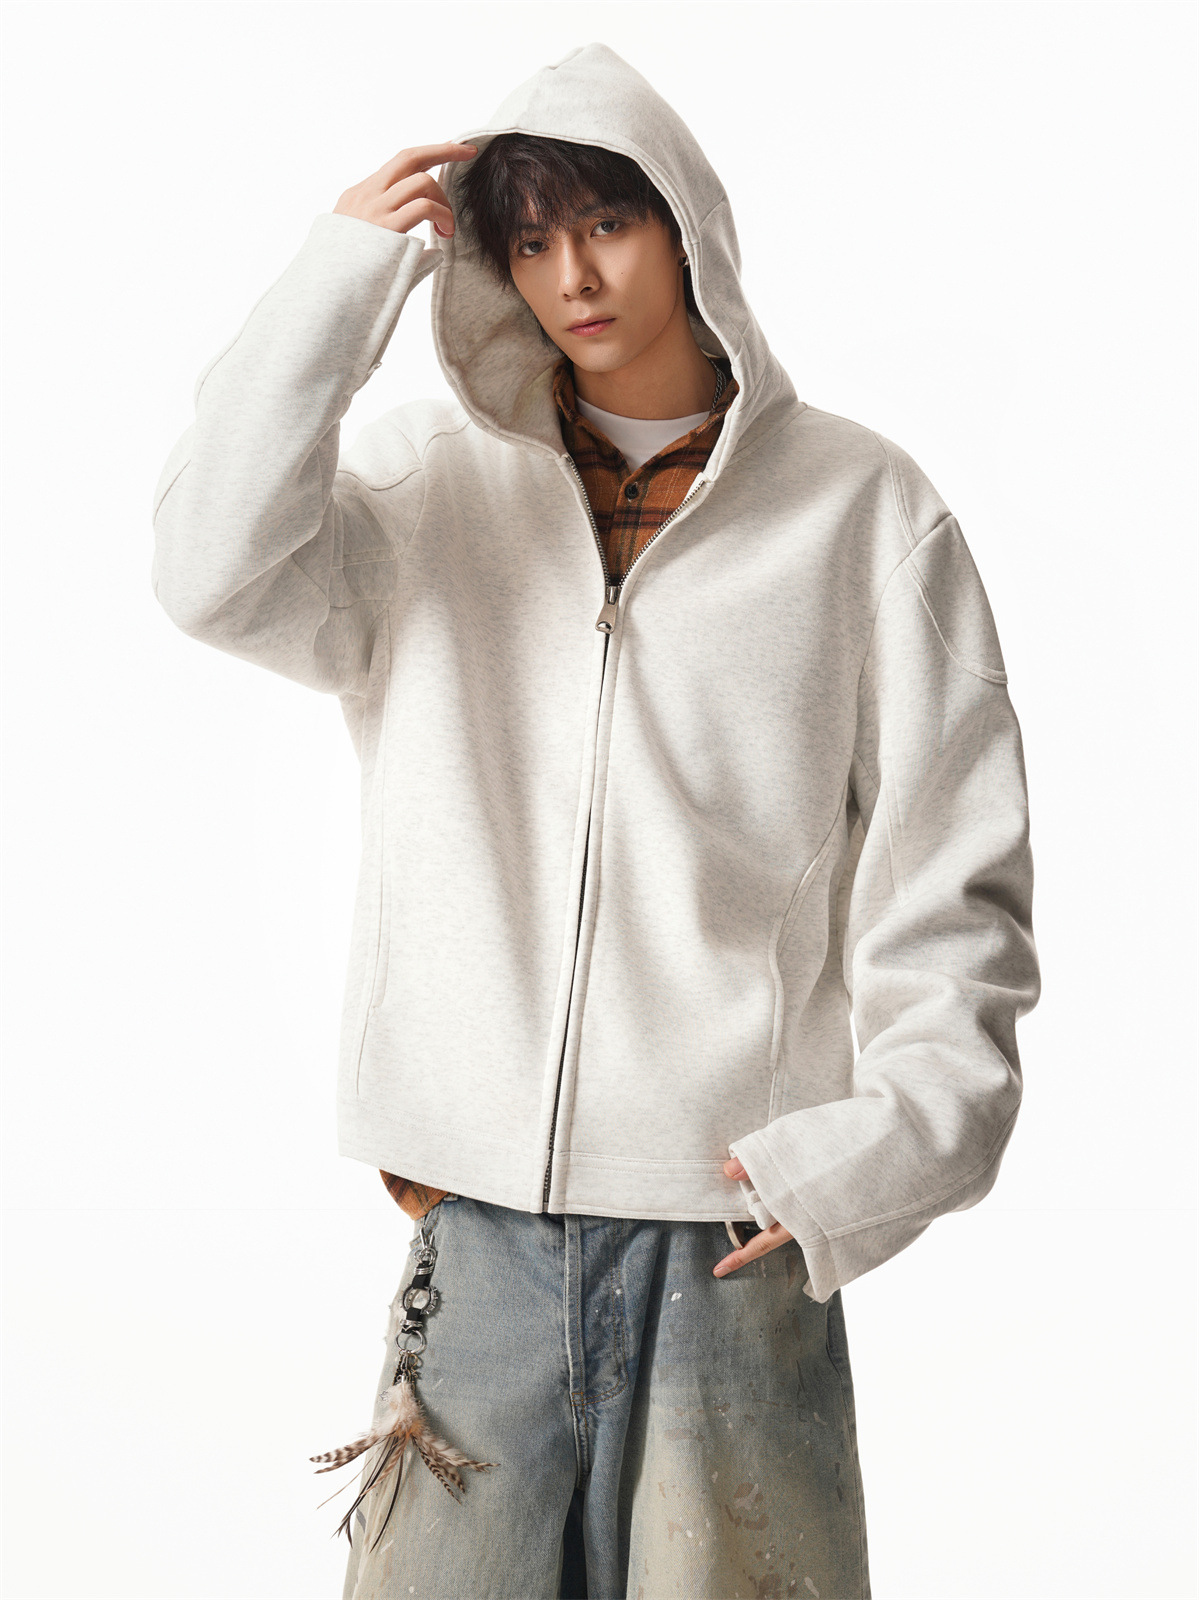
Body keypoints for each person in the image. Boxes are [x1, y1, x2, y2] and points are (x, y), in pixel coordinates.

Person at [151, 40, 1040, 1600]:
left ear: (687, 227)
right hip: (476, 1233)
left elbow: (955, 876)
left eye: (609, 225)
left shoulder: (865, 513)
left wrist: (876, 1159)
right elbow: (208, 571)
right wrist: (338, 278)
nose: (573, 275)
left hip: (731, 1232)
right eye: (530, 240)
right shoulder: (426, 488)